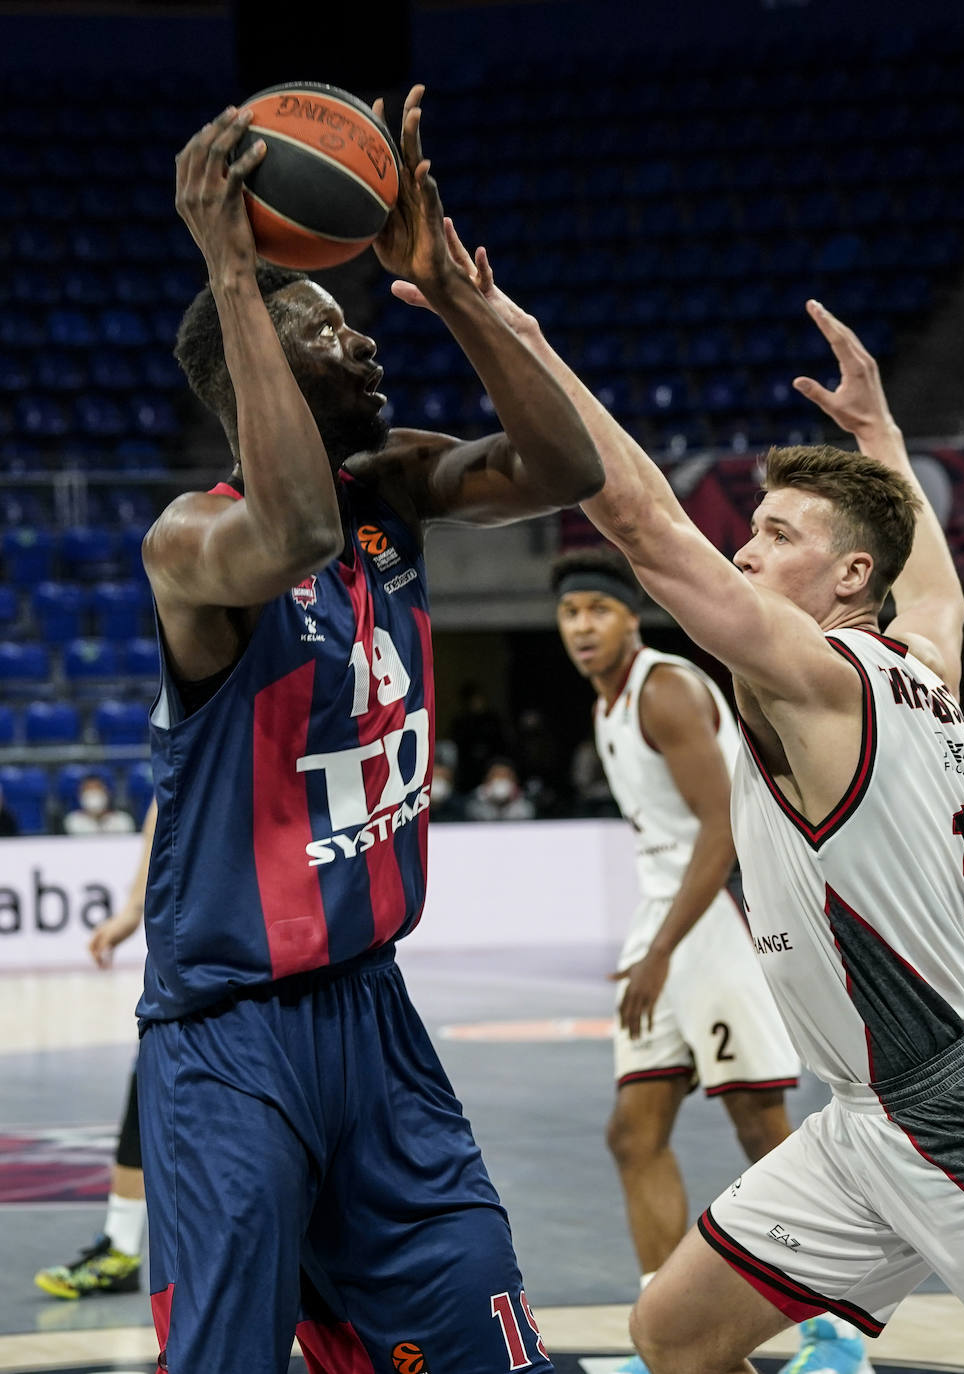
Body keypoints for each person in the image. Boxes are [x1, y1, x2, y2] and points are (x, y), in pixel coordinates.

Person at [391, 231, 964, 1374]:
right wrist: (881, 440)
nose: (742, 550)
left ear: (849, 578)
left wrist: (508, 331)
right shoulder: (920, 665)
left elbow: (644, 526)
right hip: (866, 1117)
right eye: (748, 529)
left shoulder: (814, 679)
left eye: (773, 534)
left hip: (956, 1117)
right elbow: (936, 592)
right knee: (675, 1330)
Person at [135, 90, 601, 1374]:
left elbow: (564, 471)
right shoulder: (192, 544)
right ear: (265, 370)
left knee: (481, 1335)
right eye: (330, 332)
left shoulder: (391, 484)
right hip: (230, 1039)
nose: (364, 342)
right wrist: (233, 270)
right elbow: (288, 533)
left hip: (374, 1019)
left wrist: (455, 296)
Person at [551, 547, 801, 1373]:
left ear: (632, 616)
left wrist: (662, 950)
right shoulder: (607, 703)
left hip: (717, 918)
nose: (582, 626)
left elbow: (725, 827)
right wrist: (656, 945)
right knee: (634, 1133)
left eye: (598, 609)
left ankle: (838, 1335)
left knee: (763, 1130)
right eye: (570, 613)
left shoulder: (663, 690)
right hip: (664, 920)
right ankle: (666, 1333)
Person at [35, 802, 156, 1299]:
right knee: (151, 1077)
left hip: (275, 955)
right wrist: (132, 911)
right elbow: (164, 803)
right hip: (202, 958)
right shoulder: (184, 757)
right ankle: (121, 1245)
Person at [62, 773, 136, 836]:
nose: (93, 793)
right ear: (80, 795)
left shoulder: (122, 820)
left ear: (108, 792)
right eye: (87, 789)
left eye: (97, 788)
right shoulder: (73, 821)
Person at [464, 757, 536, 820]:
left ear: (515, 780)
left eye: (505, 776)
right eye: (496, 775)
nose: (501, 779)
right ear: (486, 780)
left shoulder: (526, 804)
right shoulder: (472, 802)